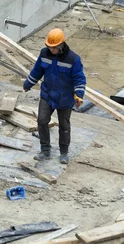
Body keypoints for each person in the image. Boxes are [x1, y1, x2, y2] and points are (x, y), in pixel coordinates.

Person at [23, 28, 86, 164]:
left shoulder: (73, 59)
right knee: (42, 120)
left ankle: (64, 152)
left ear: (61, 45)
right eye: (49, 47)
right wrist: (28, 83)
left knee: (64, 126)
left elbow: (79, 79)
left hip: (65, 98)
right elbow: (37, 70)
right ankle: (45, 150)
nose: (51, 50)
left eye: (54, 47)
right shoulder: (44, 54)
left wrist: (78, 95)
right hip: (47, 94)